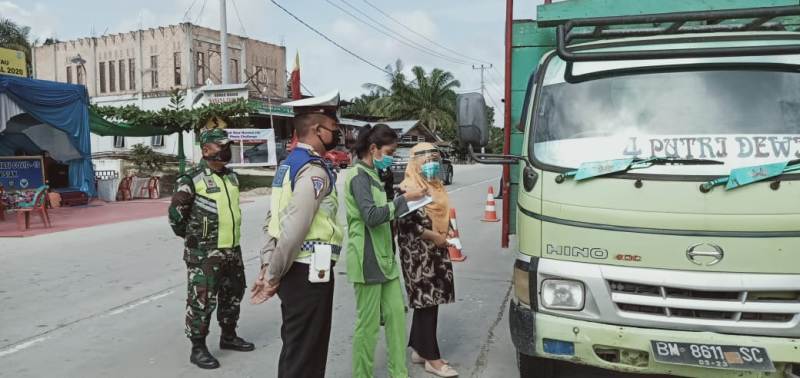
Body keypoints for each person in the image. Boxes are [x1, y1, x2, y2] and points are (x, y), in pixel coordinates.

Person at [250, 91, 344, 378]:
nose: (337, 135)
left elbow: (272, 220)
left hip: (294, 269)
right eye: (334, 129)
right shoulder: (314, 170)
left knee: (296, 348)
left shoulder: (289, 164)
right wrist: (272, 276)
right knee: (307, 354)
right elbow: (292, 228)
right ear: (318, 129)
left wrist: (269, 265)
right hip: (307, 271)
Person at [344, 124, 427, 378]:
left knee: (396, 319)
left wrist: (405, 199)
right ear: (373, 149)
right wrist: (404, 200)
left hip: (385, 259)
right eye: (389, 151)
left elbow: (386, 210)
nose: (391, 156)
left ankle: (398, 373)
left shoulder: (373, 175)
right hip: (368, 259)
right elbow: (371, 216)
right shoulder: (359, 176)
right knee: (367, 327)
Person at [168, 128, 254, 370]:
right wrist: (195, 238)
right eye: (221, 146)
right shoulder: (191, 179)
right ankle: (198, 347)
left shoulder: (231, 177)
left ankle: (229, 336)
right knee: (202, 299)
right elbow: (176, 216)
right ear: (206, 150)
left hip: (232, 249)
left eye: (227, 146)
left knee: (233, 293)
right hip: (204, 253)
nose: (226, 150)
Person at [397, 142, 458, 377]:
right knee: (426, 301)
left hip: (436, 250)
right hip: (418, 254)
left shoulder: (435, 185)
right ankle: (432, 358)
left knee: (430, 303)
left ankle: (420, 349)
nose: (431, 164)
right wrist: (436, 237)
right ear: (415, 162)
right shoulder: (408, 188)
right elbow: (407, 225)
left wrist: (448, 229)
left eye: (435, 159)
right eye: (426, 160)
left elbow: (442, 211)